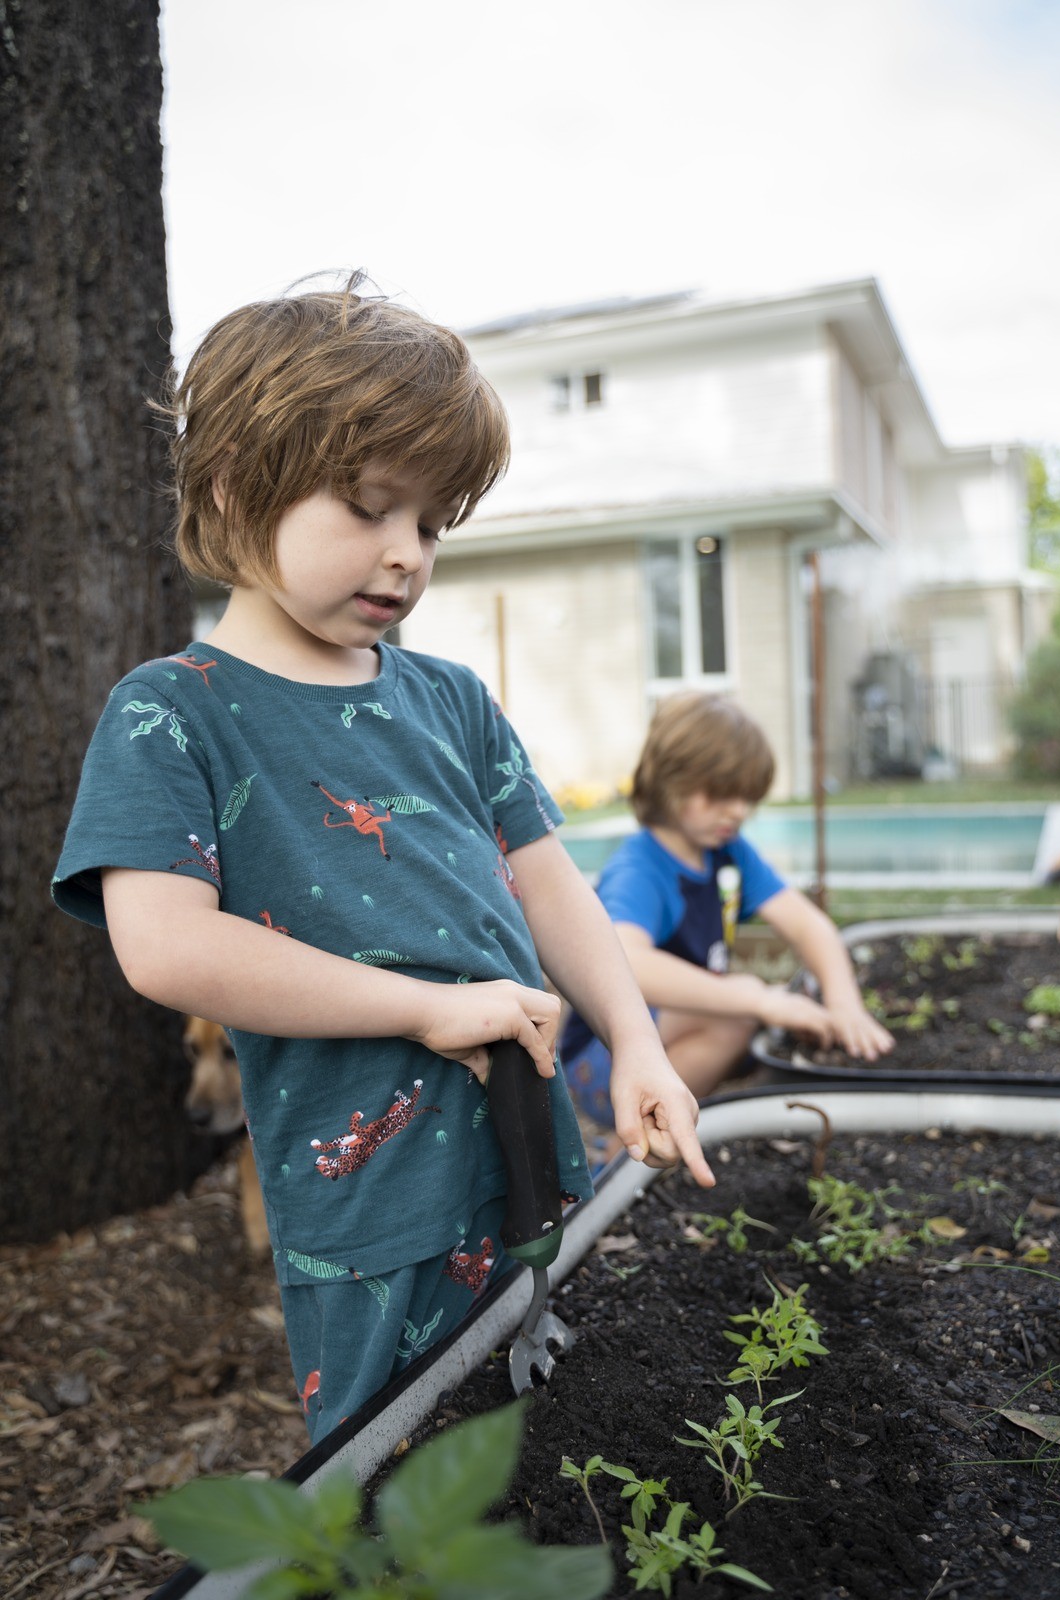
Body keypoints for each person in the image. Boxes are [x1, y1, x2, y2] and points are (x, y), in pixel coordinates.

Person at [51, 277, 714, 1442]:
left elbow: (548, 883)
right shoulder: (175, 713)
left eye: (430, 525)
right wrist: (421, 1008)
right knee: (387, 1461)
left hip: (519, 1129)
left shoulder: (450, 700)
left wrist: (641, 1043)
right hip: (365, 1189)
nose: (404, 555)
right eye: (365, 508)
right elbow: (162, 945)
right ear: (231, 488)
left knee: (525, 1407)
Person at [561, 691, 894, 1131]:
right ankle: (636, 1143)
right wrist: (754, 997)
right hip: (607, 1060)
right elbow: (627, 962)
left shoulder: (727, 852)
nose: (737, 811)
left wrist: (845, 1003)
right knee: (738, 1018)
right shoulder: (640, 867)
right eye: (720, 794)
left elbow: (806, 923)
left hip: (668, 1035)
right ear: (669, 780)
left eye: (746, 797)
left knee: (765, 1011)